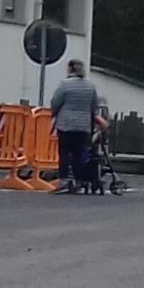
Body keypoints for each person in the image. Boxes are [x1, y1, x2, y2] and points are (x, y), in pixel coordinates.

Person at [49, 58, 101, 194]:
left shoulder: (65, 85)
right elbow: (94, 106)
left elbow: (55, 102)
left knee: (64, 153)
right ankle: (79, 181)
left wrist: (54, 113)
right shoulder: (90, 86)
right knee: (79, 154)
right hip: (83, 126)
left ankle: (64, 181)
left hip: (66, 125)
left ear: (70, 69)